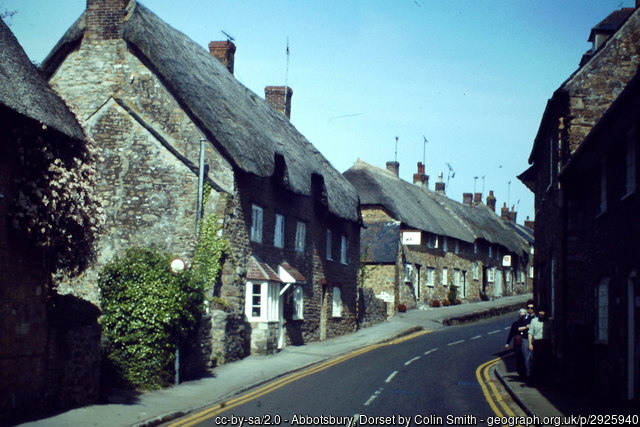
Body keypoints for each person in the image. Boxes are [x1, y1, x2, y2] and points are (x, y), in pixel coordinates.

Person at [528, 307, 551, 386]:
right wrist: (530, 344)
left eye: (543, 311)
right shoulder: (533, 321)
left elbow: (552, 334)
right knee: (536, 363)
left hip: (546, 343)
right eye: (540, 311)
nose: (541, 313)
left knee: (546, 363)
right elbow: (530, 333)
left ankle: (545, 382)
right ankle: (537, 382)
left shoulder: (549, 321)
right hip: (537, 343)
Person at [504, 308, 528, 378]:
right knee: (519, 358)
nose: (523, 317)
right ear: (519, 316)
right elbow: (511, 334)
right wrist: (507, 343)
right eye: (521, 316)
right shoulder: (515, 324)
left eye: (524, 315)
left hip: (525, 341)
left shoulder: (527, 322)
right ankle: (520, 372)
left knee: (525, 358)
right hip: (518, 343)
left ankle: (525, 373)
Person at [521, 300, 536, 381]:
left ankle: (533, 376)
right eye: (528, 308)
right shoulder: (524, 317)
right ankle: (528, 376)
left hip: (534, 340)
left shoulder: (536, 318)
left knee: (533, 359)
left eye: (532, 308)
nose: (530, 309)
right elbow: (519, 328)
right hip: (525, 339)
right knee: (526, 359)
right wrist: (526, 327)